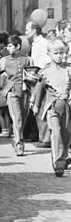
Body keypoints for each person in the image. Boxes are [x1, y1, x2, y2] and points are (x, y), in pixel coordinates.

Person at [30, 39, 71, 177]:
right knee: (56, 133)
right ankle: (58, 164)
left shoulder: (69, 69)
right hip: (52, 106)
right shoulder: (46, 71)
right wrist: (35, 105)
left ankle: (63, 157)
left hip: (66, 105)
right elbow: (40, 88)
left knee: (66, 134)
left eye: (64, 53)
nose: (61, 56)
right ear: (49, 53)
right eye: (57, 53)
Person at [0, 34, 32, 157]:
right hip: (11, 91)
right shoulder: (4, 60)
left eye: (10, 46)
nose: (8, 48)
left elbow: (33, 73)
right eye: (7, 46)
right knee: (17, 118)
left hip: (25, 90)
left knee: (24, 117)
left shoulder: (28, 59)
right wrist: (3, 81)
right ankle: (19, 144)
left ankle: (16, 137)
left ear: (18, 46)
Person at [24, 20, 51, 147]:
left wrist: (38, 73)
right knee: (36, 108)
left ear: (34, 30)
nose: (25, 32)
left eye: (27, 29)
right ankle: (41, 136)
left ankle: (45, 139)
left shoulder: (43, 43)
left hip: (41, 77)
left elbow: (46, 61)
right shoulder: (35, 43)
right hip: (35, 77)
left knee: (41, 107)